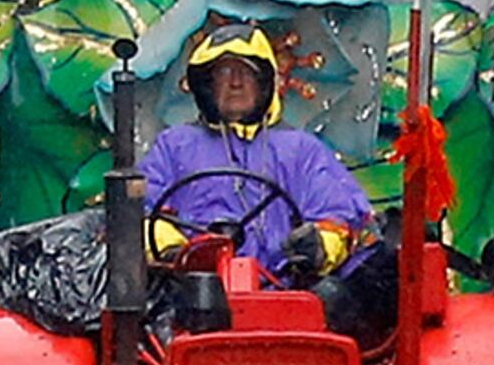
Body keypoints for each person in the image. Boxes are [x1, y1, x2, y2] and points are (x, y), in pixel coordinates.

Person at [137, 23, 373, 283]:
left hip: (283, 298)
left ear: (264, 83)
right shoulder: (174, 146)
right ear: (207, 84)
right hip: (192, 296)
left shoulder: (302, 150)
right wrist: (175, 252)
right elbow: (142, 212)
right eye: (224, 72)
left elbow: (337, 217)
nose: (236, 82)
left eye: (246, 73)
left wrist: (319, 246)